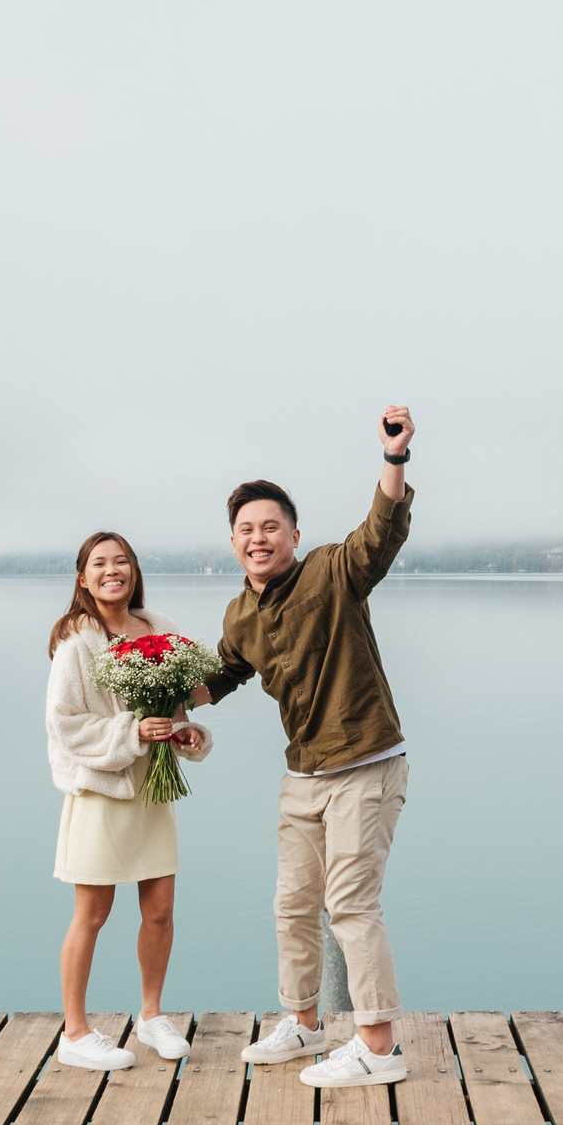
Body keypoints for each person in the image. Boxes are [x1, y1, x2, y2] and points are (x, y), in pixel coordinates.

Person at [197, 406, 417, 1088]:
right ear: (233, 541)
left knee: (350, 902)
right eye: (246, 529)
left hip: (365, 762)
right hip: (304, 773)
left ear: (294, 533)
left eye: (270, 526)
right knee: (293, 903)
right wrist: (163, 705)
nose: (257, 538)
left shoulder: (332, 572)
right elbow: (222, 675)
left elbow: (379, 534)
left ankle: (378, 1049)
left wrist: (394, 457)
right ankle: (305, 1024)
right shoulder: (239, 613)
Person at [45, 530, 210, 1072]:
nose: (112, 570)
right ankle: (75, 1033)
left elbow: (178, 704)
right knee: (91, 915)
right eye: (99, 563)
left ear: (134, 571)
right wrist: (131, 733)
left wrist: (185, 734)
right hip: (101, 793)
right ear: (82, 577)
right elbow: (65, 724)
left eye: (122, 562)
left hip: (151, 795)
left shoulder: (162, 631)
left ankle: (151, 1015)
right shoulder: (76, 643)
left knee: (160, 912)